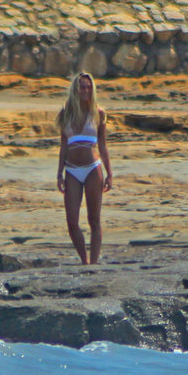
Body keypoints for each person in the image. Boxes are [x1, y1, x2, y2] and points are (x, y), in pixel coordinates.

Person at [55, 72, 112, 264]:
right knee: (72, 222)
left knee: (94, 220)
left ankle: (93, 266)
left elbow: (103, 146)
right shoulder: (66, 113)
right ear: (75, 90)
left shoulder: (98, 113)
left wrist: (110, 173)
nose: (85, 90)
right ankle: (84, 261)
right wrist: (59, 173)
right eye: (82, 87)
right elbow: (64, 146)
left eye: (89, 87)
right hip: (71, 170)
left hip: (92, 169)